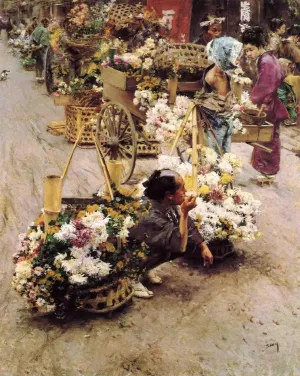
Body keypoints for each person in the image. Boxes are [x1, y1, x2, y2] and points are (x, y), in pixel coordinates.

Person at [129, 169, 213, 299]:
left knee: (184, 240)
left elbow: (186, 224)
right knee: (176, 245)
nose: (185, 191)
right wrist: (185, 212)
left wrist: (203, 246)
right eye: (182, 188)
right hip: (128, 254)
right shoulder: (150, 215)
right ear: (169, 195)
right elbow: (179, 246)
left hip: (146, 245)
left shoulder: (164, 201)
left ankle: (145, 269)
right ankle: (131, 277)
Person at [242, 26, 288, 184]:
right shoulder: (268, 58)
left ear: (259, 46)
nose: (248, 53)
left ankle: (269, 171)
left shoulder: (267, 61)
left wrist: (252, 100)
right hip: (269, 101)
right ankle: (265, 169)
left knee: (267, 137)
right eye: (246, 50)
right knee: (267, 136)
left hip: (269, 104)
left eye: (250, 49)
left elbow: (266, 86)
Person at [194, 36, 243, 154]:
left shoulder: (225, 74)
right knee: (215, 150)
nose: (236, 60)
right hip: (215, 118)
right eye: (233, 56)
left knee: (226, 148)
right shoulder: (212, 76)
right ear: (223, 56)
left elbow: (228, 93)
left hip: (225, 117)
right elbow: (216, 99)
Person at [277, 58, 298, 126]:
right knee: (291, 107)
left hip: (289, 98)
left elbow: (283, 92)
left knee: (289, 107)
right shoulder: (296, 78)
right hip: (294, 98)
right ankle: (292, 119)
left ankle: (290, 119)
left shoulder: (287, 79)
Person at [30, 18, 50, 82]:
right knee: (42, 63)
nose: (48, 24)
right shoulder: (44, 30)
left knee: (38, 63)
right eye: (47, 23)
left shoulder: (37, 28)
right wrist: (40, 46)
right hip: (41, 49)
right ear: (45, 23)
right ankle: (41, 77)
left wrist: (32, 45)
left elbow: (32, 37)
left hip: (35, 48)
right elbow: (44, 42)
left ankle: (37, 77)